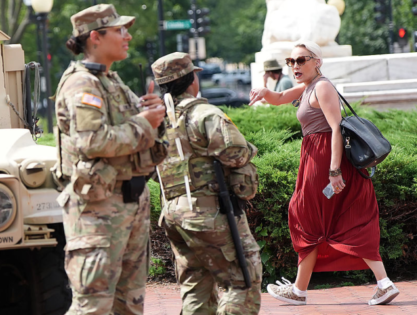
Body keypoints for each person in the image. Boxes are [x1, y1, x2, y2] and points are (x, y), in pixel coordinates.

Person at [249, 40, 399, 306]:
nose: (295, 65)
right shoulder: (307, 88)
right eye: (291, 61)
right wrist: (263, 90)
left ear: (317, 61)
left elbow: (336, 130)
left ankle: (301, 290)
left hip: (326, 163)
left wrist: (334, 171)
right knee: (322, 220)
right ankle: (379, 283)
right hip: (315, 160)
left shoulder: (323, 87)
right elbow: (280, 98)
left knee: (309, 217)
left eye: (301, 60)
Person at [53, 4, 167, 314]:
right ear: (95, 38)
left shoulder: (113, 83)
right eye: (119, 30)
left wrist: (158, 119)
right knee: (93, 306)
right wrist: (145, 122)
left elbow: (148, 143)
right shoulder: (82, 84)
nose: (127, 36)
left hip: (128, 206)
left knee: (129, 305)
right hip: (97, 213)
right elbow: (93, 141)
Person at [152, 52, 262, 315]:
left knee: (196, 284)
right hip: (207, 212)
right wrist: (249, 149)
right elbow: (236, 154)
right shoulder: (204, 113)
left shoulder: (158, 120)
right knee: (242, 279)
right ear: (192, 80)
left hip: (173, 214)